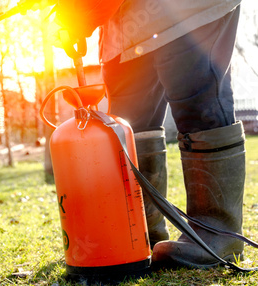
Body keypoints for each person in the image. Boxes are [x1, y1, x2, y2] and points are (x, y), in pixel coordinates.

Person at [55, 0, 245, 269]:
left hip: (187, 11)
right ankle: (141, 232)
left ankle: (217, 234)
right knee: (129, 123)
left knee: (199, 104)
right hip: (124, 28)